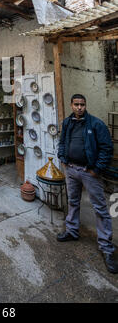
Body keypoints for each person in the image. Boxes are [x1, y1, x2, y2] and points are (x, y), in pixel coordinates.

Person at [57, 94, 118, 274]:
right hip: (71, 170)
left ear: (85, 105)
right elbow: (62, 142)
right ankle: (72, 231)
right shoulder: (67, 123)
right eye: (76, 104)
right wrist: (63, 158)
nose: (79, 107)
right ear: (71, 105)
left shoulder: (96, 124)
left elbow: (107, 148)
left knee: (100, 208)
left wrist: (96, 169)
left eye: (82, 104)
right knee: (73, 202)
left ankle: (107, 248)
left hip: (88, 172)